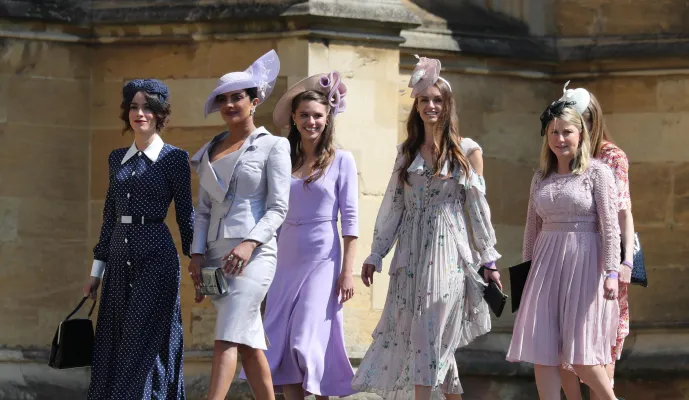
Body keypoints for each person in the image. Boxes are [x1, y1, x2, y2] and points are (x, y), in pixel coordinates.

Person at [351, 56, 502, 400]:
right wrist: (376, 253)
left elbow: (478, 210)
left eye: (437, 100)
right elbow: (394, 206)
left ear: (448, 106)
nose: (430, 106)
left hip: (449, 250)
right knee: (427, 336)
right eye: (424, 100)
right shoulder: (407, 153)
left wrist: (488, 259)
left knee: (429, 331)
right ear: (416, 106)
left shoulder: (467, 151)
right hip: (410, 255)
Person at [187, 50, 290, 400]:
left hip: (254, 256)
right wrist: (197, 255)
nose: (230, 104)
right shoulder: (209, 150)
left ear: (254, 101)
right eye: (224, 99)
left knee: (227, 335)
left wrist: (249, 244)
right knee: (248, 343)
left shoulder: (274, 146)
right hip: (216, 257)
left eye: (237, 97)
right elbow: (202, 211)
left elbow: (278, 208)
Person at [83, 78, 194, 400]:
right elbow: (109, 216)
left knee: (141, 337)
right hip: (118, 259)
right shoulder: (116, 157)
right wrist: (96, 272)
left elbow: (186, 215)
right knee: (115, 337)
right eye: (134, 107)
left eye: (148, 107)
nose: (140, 113)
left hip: (156, 258)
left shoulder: (174, 158)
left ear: (160, 113)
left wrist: (197, 262)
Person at [505, 96, 621, 400]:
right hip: (544, 267)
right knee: (543, 351)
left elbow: (611, 227)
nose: (560, 139)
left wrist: (612, 272)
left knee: (581, 356)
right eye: (553, 132)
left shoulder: (598, 173)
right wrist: (524, 275)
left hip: (585, 265)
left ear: (580, 134)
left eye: (567, 131)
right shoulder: (540, 177)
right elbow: (531, 229)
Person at [256, 71, 358, 399]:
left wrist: (347, 272)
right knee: (284, 343)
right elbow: (268, 213)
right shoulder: (281, 159)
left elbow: (351, 221)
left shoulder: (342, 161)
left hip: (323, 259)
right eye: (304, 115)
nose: (310, 122)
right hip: (284, 257)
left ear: (327, 119)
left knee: (306, 339)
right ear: (294, 119)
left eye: (317, 115)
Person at [555, 84, 636, 400]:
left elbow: (623, 212)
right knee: (562, 345)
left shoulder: (611, 156)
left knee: (598, 344)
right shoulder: (562, 155)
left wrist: (625, 262)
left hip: (604, 259)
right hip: (566, 258)